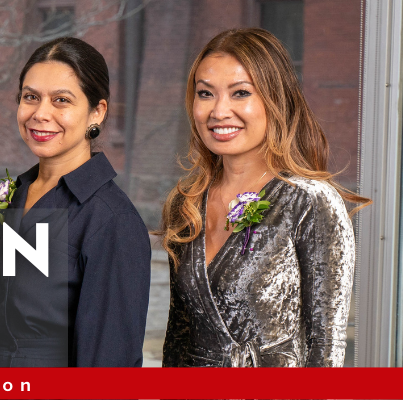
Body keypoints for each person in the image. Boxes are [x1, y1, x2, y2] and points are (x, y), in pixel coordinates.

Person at [158, 28, 369, 367]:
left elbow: (326, 352)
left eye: (240, 93)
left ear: (276, 99)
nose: (219, 111)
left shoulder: (310, 202)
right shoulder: (185, 204)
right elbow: (178, 338)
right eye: (205, 93)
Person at [0, 37, 150, 367]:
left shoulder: (112, 219)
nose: (40, 113)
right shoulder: (16, 194)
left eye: (61, 100)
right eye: (31, 97)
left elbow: (110, 364)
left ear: (96, 112)